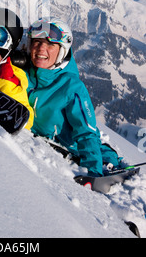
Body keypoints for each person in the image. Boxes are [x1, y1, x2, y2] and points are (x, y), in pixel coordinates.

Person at [26, 17, 123, 176]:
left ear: (62, 50)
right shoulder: (24, 73)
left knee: (100, 152)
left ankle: (109, 158)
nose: (41, 48)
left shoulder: (72, 87)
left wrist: (93, 172)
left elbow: (86, 132)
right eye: (37, 42)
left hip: (71, 147)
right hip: (41, 142)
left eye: (50, 44)